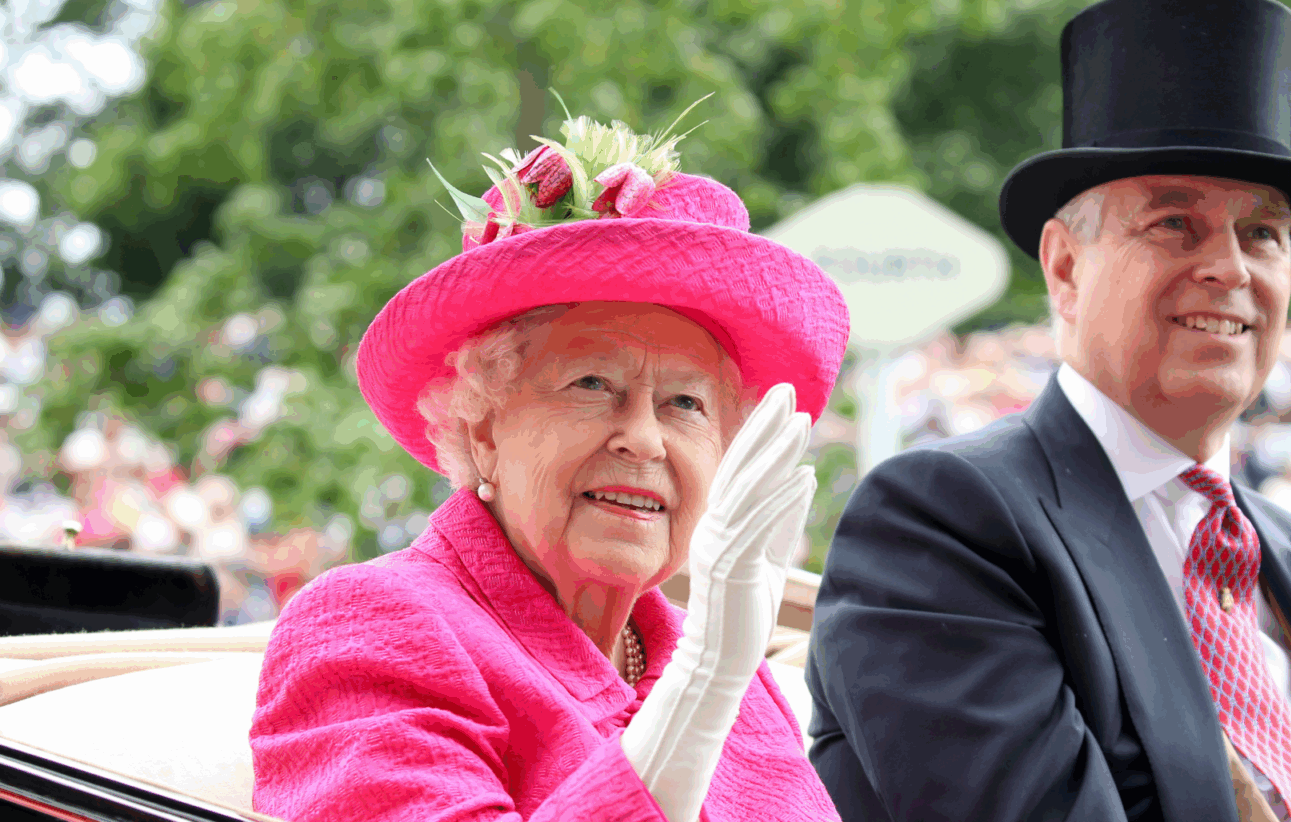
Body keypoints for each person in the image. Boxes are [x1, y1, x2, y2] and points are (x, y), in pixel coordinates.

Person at [805, 0, 1291, 822]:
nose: (1231, 270)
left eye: (1263, 234)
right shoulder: (944, 524)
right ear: (1065, 269)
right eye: (1175, 223)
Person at [249, 105, 849, 822]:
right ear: (482, 424)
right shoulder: (369, 626)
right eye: (592, 384)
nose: (645, 440)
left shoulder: (723, 659)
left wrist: (714, 670)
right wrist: (700, 687)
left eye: (686, 404)